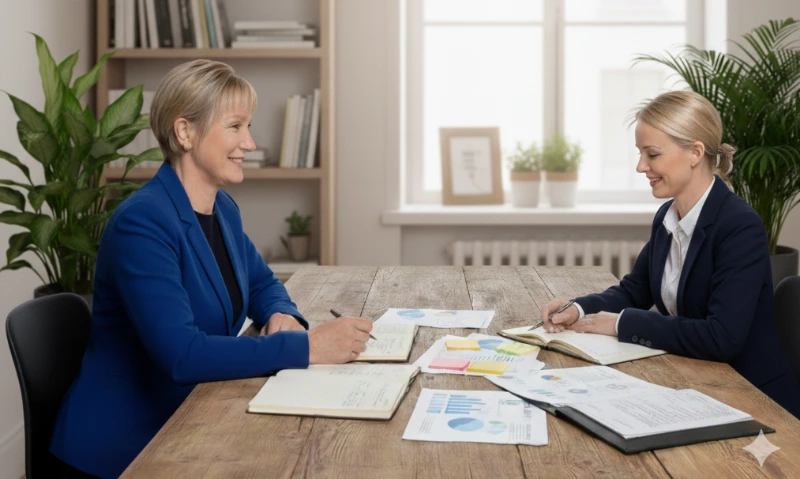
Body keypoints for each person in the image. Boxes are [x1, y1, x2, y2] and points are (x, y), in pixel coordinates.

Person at [49, 59, 374, 479]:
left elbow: (262, 284)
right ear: (185, 132)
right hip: (123, 450)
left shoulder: (221, 208)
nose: (251, 143)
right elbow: (182, 355)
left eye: (248, 127)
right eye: (235, 127)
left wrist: (282, 315)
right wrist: (308, 347)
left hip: (190, 425)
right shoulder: (142, 223)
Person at [541, 90, 800, 419]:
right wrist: (577, 309)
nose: (640, 166)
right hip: (699, 384)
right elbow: (634, 290)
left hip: (756, 400)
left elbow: (722, 337)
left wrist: (622, 323)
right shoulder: (668, 216)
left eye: (652, 154)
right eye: (640, 154)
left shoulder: (740, 227)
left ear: (694, 152)